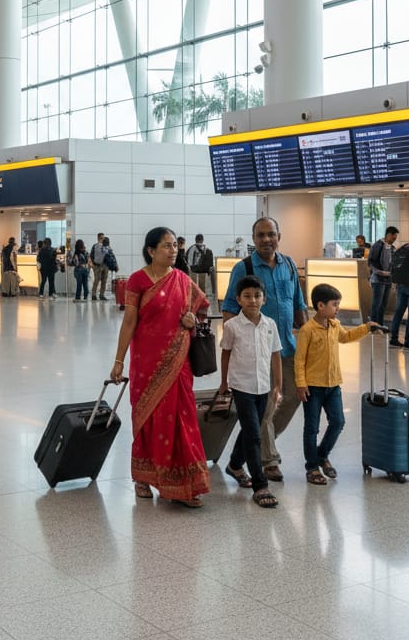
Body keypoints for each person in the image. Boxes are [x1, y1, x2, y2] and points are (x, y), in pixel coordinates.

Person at [110, 227, 210, 507]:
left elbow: (201, 311)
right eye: (166, 246)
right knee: (148, 417)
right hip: (146, 361)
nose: (173, 250)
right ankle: (143, 478)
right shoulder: (137, 281)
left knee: (183, 417)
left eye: (174, 245)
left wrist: (193, 320)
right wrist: (118, 360)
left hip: (179, 361)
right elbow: (129, 321)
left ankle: (185, 485)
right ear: (151, 251)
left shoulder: (182, 280)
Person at [222, 217, 306, 483]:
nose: (266, 239)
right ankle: (268, 459)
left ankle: (257, 443)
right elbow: (228, 307)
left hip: (288, 348)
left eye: (271, 234)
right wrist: (236, 342)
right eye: (260, 235)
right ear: (253, 238)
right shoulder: (244, 267)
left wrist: (306, 339)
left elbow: (298, 304)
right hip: (257, 352)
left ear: (279, 235)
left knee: (290, 398)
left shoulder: (289, 264)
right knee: (267, 404)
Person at [296, 283, 382, 485]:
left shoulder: (334, 326)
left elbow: (345, 337)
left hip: (333, 384)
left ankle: (322, 454)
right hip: (313, 387)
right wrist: (301, 384)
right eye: (335, 305)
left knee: (338, 422)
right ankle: (312, 467)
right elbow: (299, 360)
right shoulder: (308, 330)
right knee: (312, 428)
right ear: (320, 306)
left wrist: (366, 328)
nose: (338, 308)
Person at [217, 274, 282, 508]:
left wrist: (278, 385)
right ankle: (260, 485)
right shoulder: (232, 326)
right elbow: (225, 353)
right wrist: (224, 383)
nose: (252, 300)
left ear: (264, 299)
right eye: (247, 296)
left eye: (257, 295)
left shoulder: (270, 325)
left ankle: (235, 465)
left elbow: (276, 355)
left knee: (249, 428)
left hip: (263, 386)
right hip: (241, 385)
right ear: (238, 299)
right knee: (254, 434)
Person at [367, 226, 399, 326]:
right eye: (393, 238)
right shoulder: (377, 245)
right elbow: (371, 262)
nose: (393, 241)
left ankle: (379, 325)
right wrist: (380, 272)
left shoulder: (391, 248)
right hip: (378, 279)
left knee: (383, 304)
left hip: (388, 279)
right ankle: (373, 325)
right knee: (377, 303)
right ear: (388, 235)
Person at [90, 232, 108, 300]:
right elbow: (92, 255)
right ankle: (94, 294)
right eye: (101, 238)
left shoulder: (106, 246)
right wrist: (94, 264)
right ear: (98, 238)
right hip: (98, 266)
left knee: (104, 280)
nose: (102, 240)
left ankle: (102, 295)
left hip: (105, 265)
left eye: (103, 238)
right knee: (97, 280)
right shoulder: (95, 246)